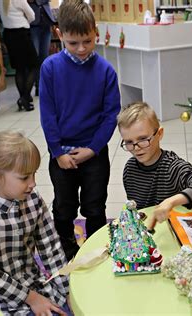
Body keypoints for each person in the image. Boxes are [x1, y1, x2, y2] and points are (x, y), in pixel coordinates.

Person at [39, 0, 121, 260]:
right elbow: (48, 115)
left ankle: (95, 251)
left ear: (95, 31)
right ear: (60, 34)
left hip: (94, 154)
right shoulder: (50, 69)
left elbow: (110, 116)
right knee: (64, 208)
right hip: (61, 155)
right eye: (73, 43)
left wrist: (92, 149)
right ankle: (67, 252)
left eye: (87, 40)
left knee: (95, 207)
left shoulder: (106, 71)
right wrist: (57, 152)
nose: (82, 48)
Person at [0, 130, 71, 315]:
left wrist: (67, 293)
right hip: (0, 299)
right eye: (24, 177)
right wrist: (32, 299)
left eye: (34, 174)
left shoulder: (33, 199)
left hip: (36, 284)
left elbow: (51, 250)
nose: (33, 183)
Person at [117, 102, 192, 229]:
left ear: (159, 134)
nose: (136, 148)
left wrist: (170, 202)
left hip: (175, 230)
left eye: (143, 139)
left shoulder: (173, 167)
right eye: (129, 142)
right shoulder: (130, 169)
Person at [0, 0, 38, 111]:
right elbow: (32, 16)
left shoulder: (0, 1)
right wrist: (24, 20)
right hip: (22, 34)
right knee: (34, 66)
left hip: (9, 35)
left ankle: (23, 98)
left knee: (19, 69)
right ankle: (25, 97)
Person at [28, 0, 56, 96]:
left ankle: (42, 86)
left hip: (46, 23)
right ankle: (37, 86)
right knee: (35, 58)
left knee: (44, 57)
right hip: (32, 24)